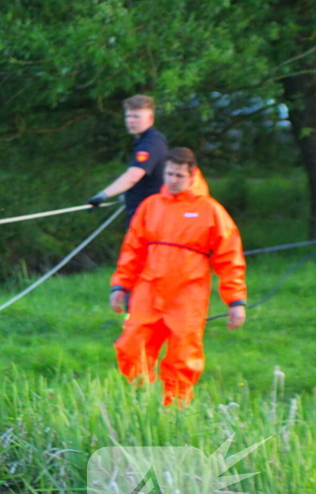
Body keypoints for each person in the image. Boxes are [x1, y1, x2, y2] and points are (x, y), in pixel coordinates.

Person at [109, 148, 247, 407]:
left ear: (192, 174)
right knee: (131, 346)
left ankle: (176, 408)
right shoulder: (151, 206)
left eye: (179, 175)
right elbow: (132, 249)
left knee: (183, 354)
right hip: (149, 289)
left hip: (188, 293)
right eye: (169, 174)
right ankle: (141, 401)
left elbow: (230, 258)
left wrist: (235, 301)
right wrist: (120, 285)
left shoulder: (210, 210)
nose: (173, 180)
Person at [87, 95, 169, 226]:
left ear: (150, 118)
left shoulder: (150, 143)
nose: (130, 121)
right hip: (142, 215)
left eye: (136, 117)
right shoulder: (143, 140)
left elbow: (133, 176)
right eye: (128, 116)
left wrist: (102, 195)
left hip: (149, 218)